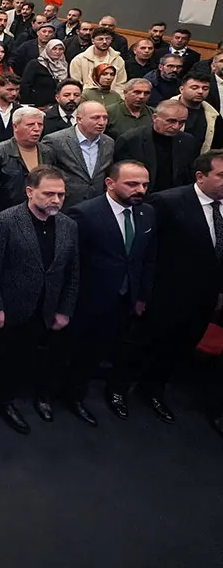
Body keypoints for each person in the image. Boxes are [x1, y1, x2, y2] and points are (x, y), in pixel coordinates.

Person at [109, 152, 223, 432]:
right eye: (221, 175)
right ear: (201, 176)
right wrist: (143, 291)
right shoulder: (168, 202)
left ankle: (152, 391)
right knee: (139, 345)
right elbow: (145, 249)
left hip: (204, 298)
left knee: (177, 349)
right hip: (164, 293)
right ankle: (117, 390)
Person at [0, 166, 79, 436]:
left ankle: (5, 400)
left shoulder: (69, 226)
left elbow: (72, 273)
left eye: (61, 195)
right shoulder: (4, 222)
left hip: (42, 310)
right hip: (4, 308)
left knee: (21, 361)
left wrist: (64, 310)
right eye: (49, 194)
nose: (56, 200)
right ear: (29, 191)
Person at [64, 161, 156, 426]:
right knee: (74, 351)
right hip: (87, 298)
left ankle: (81, 392)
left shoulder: (148, 213)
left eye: (145, 184)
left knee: (101, 350)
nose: (140, 190)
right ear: (110, 183)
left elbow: (148, 258)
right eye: (132, 184)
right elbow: (71, 261)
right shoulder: (85, 213)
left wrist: (141, 296)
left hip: (125, 299)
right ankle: (66, 395)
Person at [40, 100, 113, 210]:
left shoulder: (109, 143)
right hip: (66, 206)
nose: (102, 122)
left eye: (105, 118)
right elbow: (46, 175)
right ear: (79, 119)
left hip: (97, 206)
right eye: (96, 118)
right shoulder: (55, 141)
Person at [113, 100, 196, 193]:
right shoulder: (131, 140)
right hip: (140, 195)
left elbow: (189, 174)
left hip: (175, 195)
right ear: (155, 118)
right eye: (171, 121)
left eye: (181, 122)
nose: (176, 126)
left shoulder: (187, 141)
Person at [0, 106, 46, 214]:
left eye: (40, 124)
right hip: (4, 215)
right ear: (15, 126)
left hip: (40, 213)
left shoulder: (48, 152)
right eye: (30, 125)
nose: (36, 129)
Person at [20, 39, 68, 107]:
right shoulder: (35, 64)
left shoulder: (64, 65)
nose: (57, 52)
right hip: (37, 105)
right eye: (54, 49)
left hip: (57, 105)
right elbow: (25, 84)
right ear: (48, 49)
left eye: (60, 49)